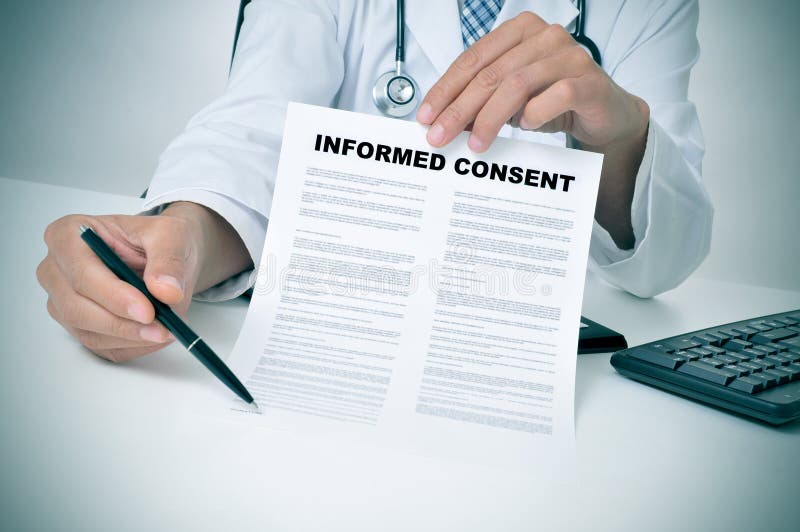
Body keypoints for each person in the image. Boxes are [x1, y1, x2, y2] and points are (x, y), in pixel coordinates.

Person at [36, 0, 713, 362]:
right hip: (345, 348)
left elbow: (661, 264)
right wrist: (180, 238)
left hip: (536, 351)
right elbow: (249, 135)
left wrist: (622, 135)